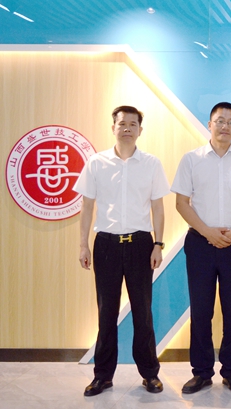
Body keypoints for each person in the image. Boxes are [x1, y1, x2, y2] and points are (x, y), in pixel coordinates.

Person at [74, 105, 169, 397]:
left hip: (141, 244)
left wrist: (158, 244)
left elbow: (158, 207)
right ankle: (102, 376)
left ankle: (150, 374)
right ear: (113, 127)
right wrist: (83, 244)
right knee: (106, 313)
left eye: (132, 124)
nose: (127, 128)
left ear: (140, 129)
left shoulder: (151, 164)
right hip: (106, 245)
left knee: (143, 313)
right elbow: (87, 206)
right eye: (122, 123)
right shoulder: (96, 162)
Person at [171, 102, 231, 394]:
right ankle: (202, 372)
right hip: (200, 243)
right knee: (201, 310)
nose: (225, 126)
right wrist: (207, 232)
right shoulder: (191, 159)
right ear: (210, 124)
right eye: (220, 120)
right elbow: (181, 202)